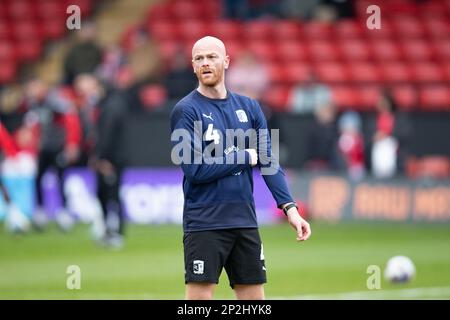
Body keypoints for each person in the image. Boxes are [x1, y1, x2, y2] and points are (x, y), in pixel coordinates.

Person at [169, 36, 311, 300]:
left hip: (244, 220)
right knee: (199, 300)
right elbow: (194, 170)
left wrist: (290, 208)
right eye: (199, 58)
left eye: (212, 56)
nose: (205, 63)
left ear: (226, 61)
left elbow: (269, 160)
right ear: (192, 66)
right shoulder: (185, 110)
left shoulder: (251, 107)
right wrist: (244, 156)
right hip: (204, 222)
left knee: (253, 299)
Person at [74, 73, 128, 249]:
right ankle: (108, 231)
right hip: (108, 158)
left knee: (111, 195)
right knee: (104, 195)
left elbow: (108, 135)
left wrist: (103, 159)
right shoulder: (105, 104)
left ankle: (116, 233)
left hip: (111, 160)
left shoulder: (110, 106)